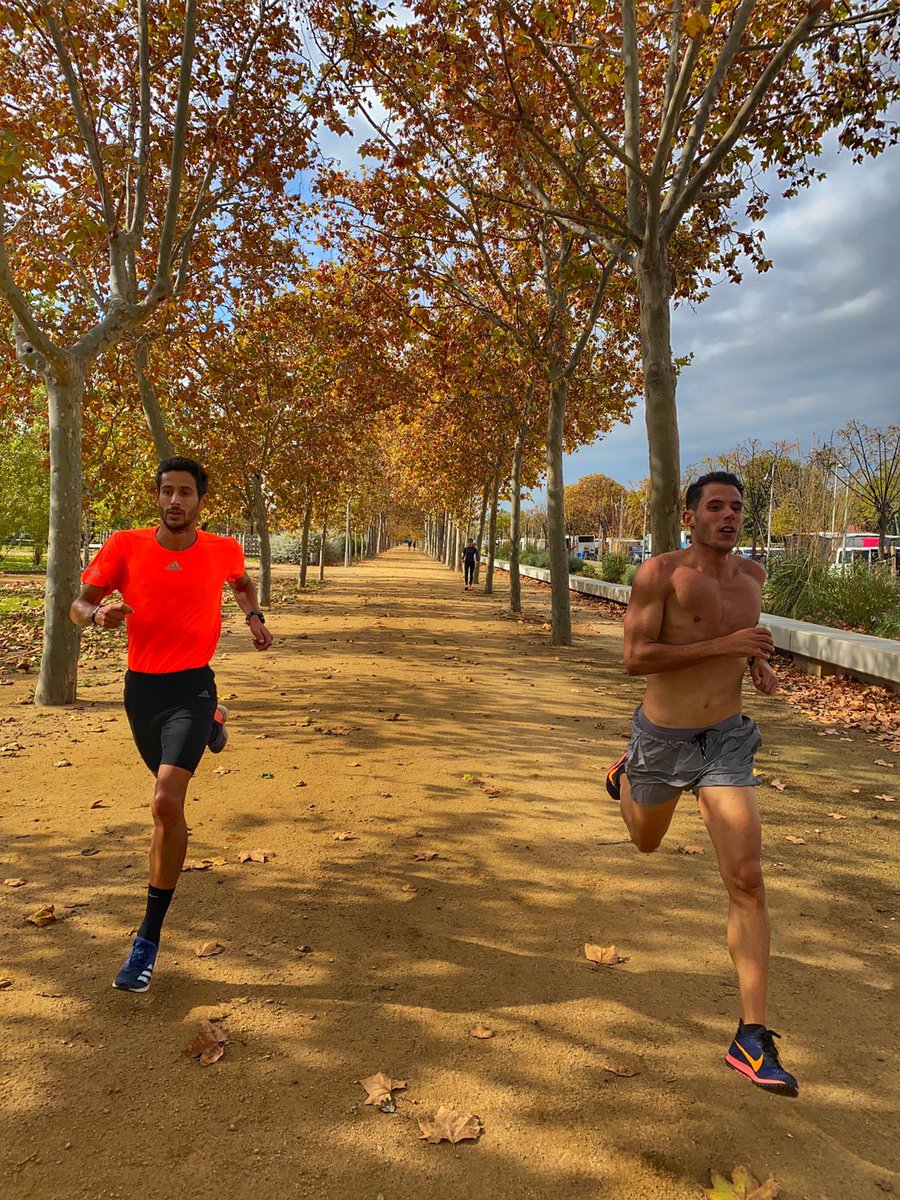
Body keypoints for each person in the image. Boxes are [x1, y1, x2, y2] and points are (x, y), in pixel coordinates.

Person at [604, 472, 798, 1096]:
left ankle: (751, 1036)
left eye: (737, 507)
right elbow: (637, 657)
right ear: (688, 516)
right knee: (644, 842)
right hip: (663, 740)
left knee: (747, 877)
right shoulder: (658, 575)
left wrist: (758, 664)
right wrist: (730, 643)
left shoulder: (754, 578)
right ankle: (628, 773)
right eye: (715, 506)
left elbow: (740, 649)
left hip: (726, 740)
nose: (729, 515)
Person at [70, 457, 273, 993]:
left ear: (200, 501)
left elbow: (243, 584)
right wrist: (96, 617)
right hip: (142, 689)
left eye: (186, 492)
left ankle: (146, 941)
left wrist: (253, 616)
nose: (175, 501)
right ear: (157, 497)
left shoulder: (223, 548)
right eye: (167, 492)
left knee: (165, 803)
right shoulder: (123, 545)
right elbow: (77, 603)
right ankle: (213, 723)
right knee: (168, 791)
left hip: (192, 682)